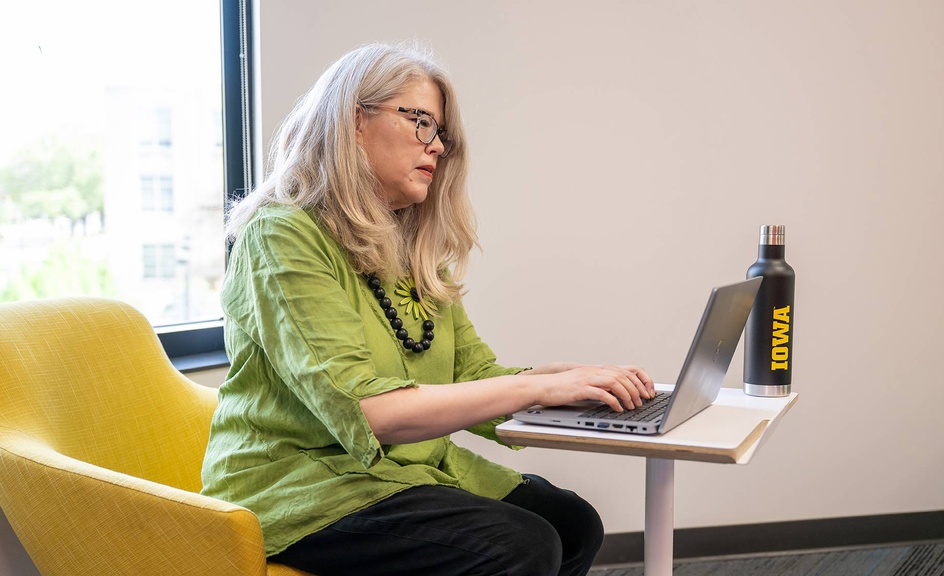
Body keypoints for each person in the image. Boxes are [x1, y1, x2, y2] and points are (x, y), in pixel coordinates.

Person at [200, 41, 654, 576]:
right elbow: (369, 412)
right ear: (355, 121)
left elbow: (478, 377)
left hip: (408, 476)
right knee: (521, 544)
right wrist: (539, 388)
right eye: (420, 122)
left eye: (440, 132)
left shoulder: (407, 249)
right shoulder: (282, 237)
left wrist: (581, 380)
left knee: (574, 524)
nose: (437, 146)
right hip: (303, 485)